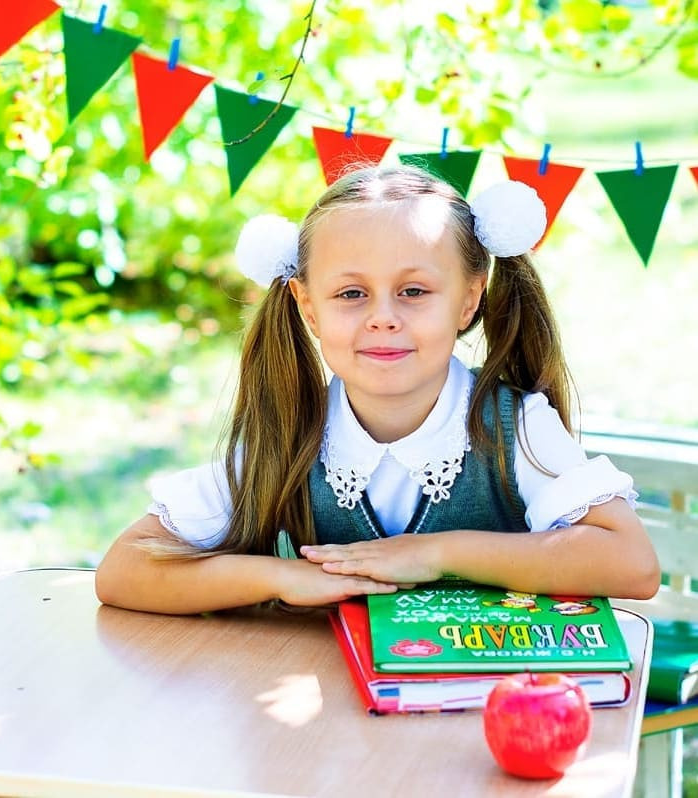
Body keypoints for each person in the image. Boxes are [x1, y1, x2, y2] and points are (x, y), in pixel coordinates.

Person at [95, 164, 660, 615]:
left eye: (413, 290)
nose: (383, 318)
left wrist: (433, 554)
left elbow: (630, 562)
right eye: (350, 295)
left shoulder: (517, 427)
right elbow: (126, 569)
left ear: (468, 299)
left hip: (487, 717)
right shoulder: (291, 435)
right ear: (307, 306)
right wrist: (287, 578)